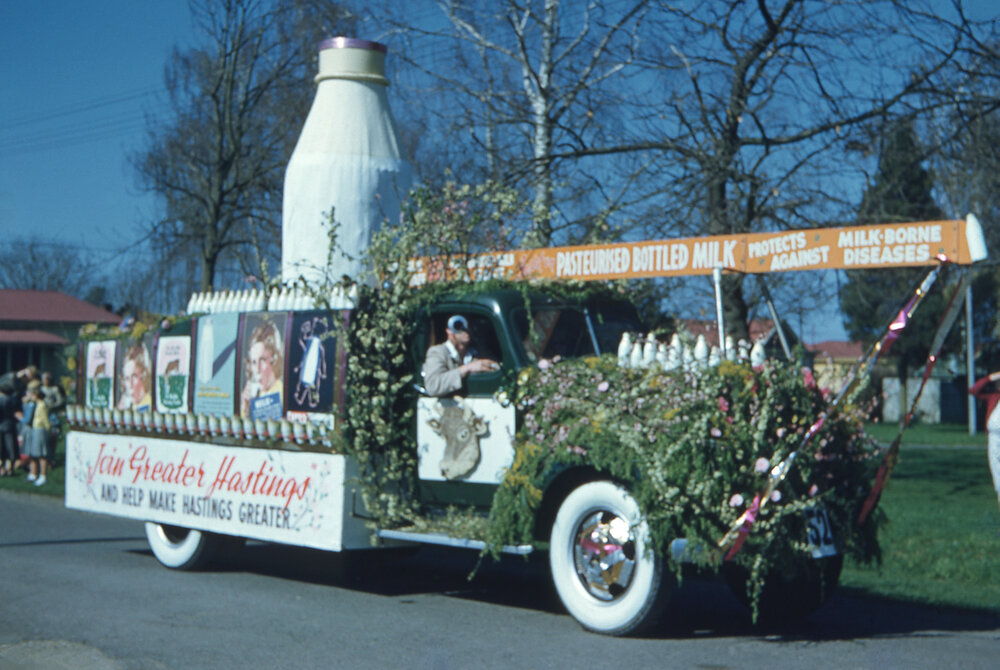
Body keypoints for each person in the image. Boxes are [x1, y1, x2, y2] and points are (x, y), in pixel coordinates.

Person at [421, 315, 499, 397]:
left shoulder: (477, 353)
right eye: (459, 326)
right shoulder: (438, 352)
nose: (466, 329)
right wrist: (466, 369)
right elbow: (433, 386)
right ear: (449, 331)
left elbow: (497, 368)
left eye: (469, 325)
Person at [969, 370, 1000, 509]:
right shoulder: (994, 397)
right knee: (998, 482)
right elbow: (974, 390)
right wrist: (991, 377)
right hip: (994, 440)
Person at [241, 320, 284, 418]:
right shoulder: (257, 395)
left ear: (275, 360)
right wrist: (245, 408)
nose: (257, 369)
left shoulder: (281, 394)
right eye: (254, 362)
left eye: (262, 360)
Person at [21, 387, 50, 486]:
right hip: (36, 428)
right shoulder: (37, 404)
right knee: (36, 452)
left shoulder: (41, 405)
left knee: (42, 453)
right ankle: (36, 474)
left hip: (40, 429)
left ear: (36, 395)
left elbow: (44, 419)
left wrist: (48, 429)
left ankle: (43, 475)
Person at [40, 372, 65, 469]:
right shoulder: (41, 389)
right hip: (42, 413)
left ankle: (51, 458)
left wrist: (53, 406)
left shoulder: (54, 389)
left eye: (46, 379)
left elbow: (60, 400)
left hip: (52, 414)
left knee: (53, 436)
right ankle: (44, 458)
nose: (44, 381)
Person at [118, 344, 152, 412]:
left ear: (144, 376)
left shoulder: (149, 404)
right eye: (127, 378)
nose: (130, 384)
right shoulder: (127, 403)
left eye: (134, 377)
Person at [0, 378, 19, 476]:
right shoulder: (13, 400)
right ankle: (10, 468)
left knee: (2, 448)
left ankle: (2, 468)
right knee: (10, 446)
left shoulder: (1, 400)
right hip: (11, 425)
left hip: (2, 424)